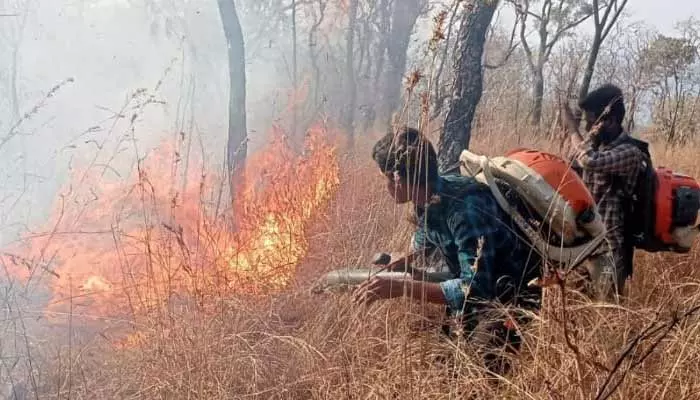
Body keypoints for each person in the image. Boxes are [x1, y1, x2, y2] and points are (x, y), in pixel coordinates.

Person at [352, 126, 542, 372]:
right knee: (445, 364)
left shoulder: (465, 209)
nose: (385, 187)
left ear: (397, 178)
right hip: (480, 296)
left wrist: (402, 288)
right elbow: (426, 242)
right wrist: (403, 261)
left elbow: (474, 289)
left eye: (385, 179)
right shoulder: (428, 199)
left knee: (479, 373)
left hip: (510, 298)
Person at [569, 84, 646, 300]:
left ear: (609, 121)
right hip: (583, 246)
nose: (587, 128)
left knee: (605, 314)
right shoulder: (596, 146)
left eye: (591, 122)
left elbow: (590, 161)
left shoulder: (630, 152)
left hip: (609, 250)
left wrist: (572, 130)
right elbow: (571, 168)